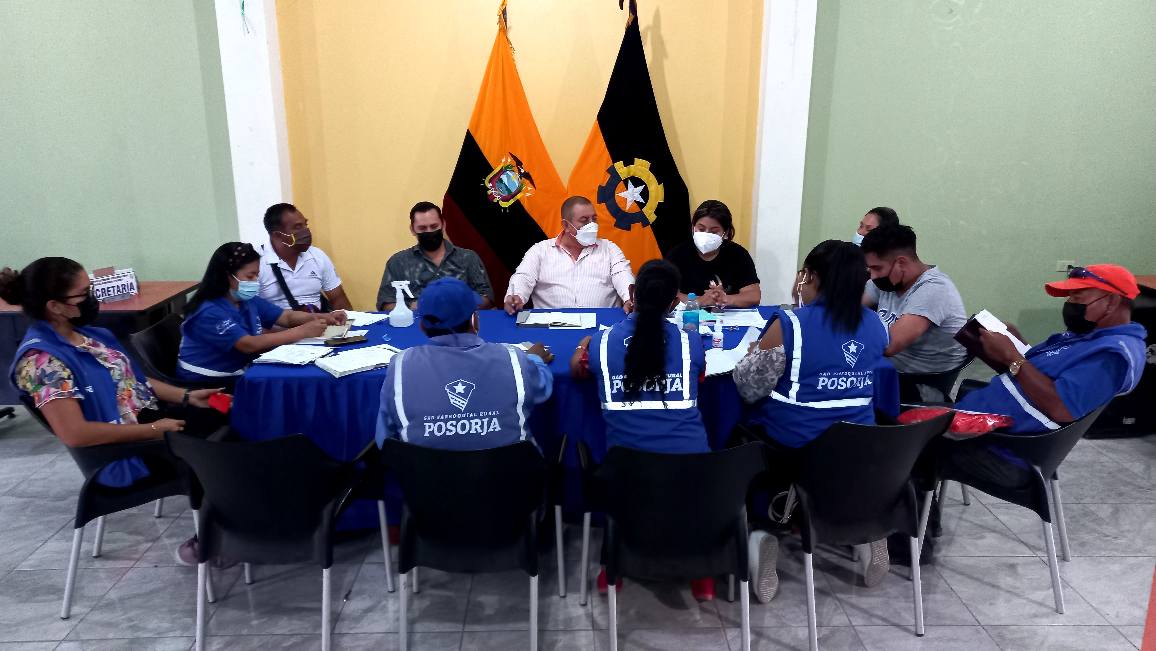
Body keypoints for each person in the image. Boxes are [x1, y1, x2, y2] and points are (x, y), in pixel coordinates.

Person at [1, 258, 226, 565]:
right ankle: (212, 539)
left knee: (230, 416)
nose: (93, 298)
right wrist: (154, 429)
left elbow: (130, 380)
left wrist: (187, 396)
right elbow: (76, 434)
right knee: (222, 450)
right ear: (55, 306)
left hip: (147, 423)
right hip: (126, 450)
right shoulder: (42, 362)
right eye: (84, 293)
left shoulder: (86, 335)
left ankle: (238, 521)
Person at [732, 240, 891, 603]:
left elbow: (748, 386)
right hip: (858, 445)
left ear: (812, 277)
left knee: (736, 438)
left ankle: (763, 530)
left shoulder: (791, 324)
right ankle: (863, 533)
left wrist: (753, 352)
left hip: (795, 447)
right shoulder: (876, 325)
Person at [569, 259, 716, 601]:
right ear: (674, 303)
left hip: (626, 475)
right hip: (692, 471)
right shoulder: (690, 342)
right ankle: (702, 573)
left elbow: (577, 369)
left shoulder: (602, 342)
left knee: (626, 489)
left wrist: (582, 345)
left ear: (633, 293)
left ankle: (613, 568)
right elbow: (700, 375)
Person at [941, 264, 1147, 488]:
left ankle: (919, 505)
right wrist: (1016, 346)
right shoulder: (1088, 337)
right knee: (916, 415)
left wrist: (1012, 357)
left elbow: (1061, 407)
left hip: (1005, 450)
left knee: (911, 444)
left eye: (1077, 297)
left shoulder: (1111, 356)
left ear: (1112, 302)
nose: (1070, 304)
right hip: (981, 424)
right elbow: (1043, 376)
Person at [376, 278, 553, 449]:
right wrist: (535, 360)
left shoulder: (400, 365)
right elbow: (542, 389)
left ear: (422, 326)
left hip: (421, 470)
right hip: (511, 469)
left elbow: (384, 439)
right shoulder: (513, 358)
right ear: (474, 319)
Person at [178, 242, 344, 381]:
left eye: (257, 275)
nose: (255, 281)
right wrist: (302, 331)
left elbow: (286, 317)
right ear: (227, 276)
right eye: (250, 276)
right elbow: (248, 344)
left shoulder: (246, 300)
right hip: (207, 382)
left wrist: (324, 316)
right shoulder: (208, 310)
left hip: (241, 371)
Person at [861, 224, 969, 384]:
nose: (873, 276)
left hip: (918, 383)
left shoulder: (934, 289)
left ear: (901, 263)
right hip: (885, 370)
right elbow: (845, 308)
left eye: (877, 268)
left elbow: (888, 345)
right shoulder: (890, 281)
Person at [504, 196, 635, 313]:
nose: (592, 225)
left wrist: (630, 299)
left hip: (602, 326)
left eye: (594, 219)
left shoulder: (610, 249)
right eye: (584, 220)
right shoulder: (540, 251)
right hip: (551, 326)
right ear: (566, 225)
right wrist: (516, 296)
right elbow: (524, 277)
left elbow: (622, 275)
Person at [376, 201, 494, 311]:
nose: (429, 232)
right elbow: (385, 303)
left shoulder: (468, 257)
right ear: (412, 230)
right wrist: (412, 306)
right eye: (422, 228)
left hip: (461, 321)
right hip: (415, 322)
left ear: (443, 225)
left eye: (434, 226)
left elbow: (487, 298)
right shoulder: (398, 262)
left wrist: (460, 302)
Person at [664, 200, 761, 308]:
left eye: (714, 232)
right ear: (693, 228)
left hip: (727, 315)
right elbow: (666, 294)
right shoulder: (678, 254)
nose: (706, 234)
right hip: (689, 315)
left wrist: (724, 299)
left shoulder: (738, 254)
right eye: (701, 229)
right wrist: (700, 301)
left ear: (726, 232)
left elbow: (754, 295)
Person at [257, 203, 352, 312]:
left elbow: (338, 299)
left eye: (305, 224)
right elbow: (250, 312)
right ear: (277, 235)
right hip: (277, 322)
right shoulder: (256, 261)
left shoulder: (317, 256)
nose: (306, 231)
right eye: (298, 227)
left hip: (318, 320)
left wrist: (349, 320)